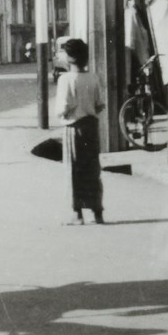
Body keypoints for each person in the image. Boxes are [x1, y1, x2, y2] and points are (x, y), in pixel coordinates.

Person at [55, 38, 104, 225]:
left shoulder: (65, 79)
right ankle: (97, 212)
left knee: (74, 170)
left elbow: (62, 108)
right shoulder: (94, 77)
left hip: (73, 128)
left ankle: (77, 214)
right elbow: (100, 105)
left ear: (69, 58)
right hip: (91, 126)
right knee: (92, 169)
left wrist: (70, 112)